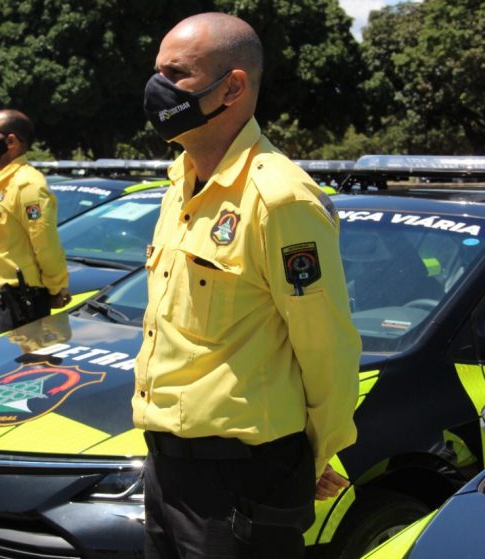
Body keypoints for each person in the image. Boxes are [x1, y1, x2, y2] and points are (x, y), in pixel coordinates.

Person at [133, 13, 361, 559]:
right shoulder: (180, 184)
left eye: (176, 73)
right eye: (156, 72)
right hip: (167, 470)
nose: (156, 88)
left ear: (232, 87)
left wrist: (317, 455)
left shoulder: (279, 198)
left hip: (241, 481)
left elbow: (326, 345)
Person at [0, 109, 71, 336]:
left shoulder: (28, 185)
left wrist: (56, 287)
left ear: (11, 141)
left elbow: (45, 244)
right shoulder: (3, 183)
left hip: (22, 305)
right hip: (3, 305)